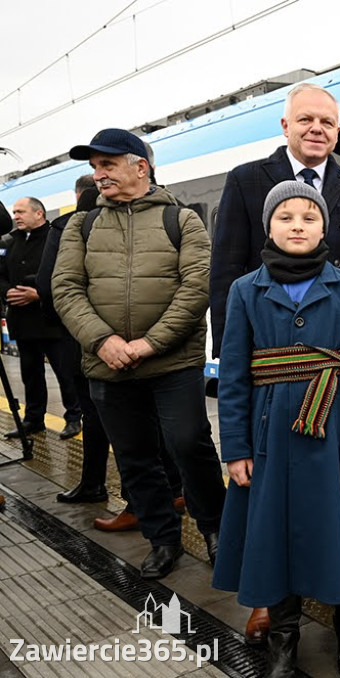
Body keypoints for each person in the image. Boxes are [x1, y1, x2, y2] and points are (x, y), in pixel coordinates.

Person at [213, 181, 340, 678]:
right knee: (275, 533)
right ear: (268, 226)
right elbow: (235, 374)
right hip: (270, 435)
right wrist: (235, 447)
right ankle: (284, 635)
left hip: (333, 431)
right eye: (285, 217)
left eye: (309, 217)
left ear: (325, 226)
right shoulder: (246, 289)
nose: (298, 226)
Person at [52, 128, 226, 580]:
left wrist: (150, 343)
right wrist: (102, 341)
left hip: (173, 361)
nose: (98, 175)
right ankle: (162, 538)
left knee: (189, 444)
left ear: (140, 167)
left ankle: (217, 529)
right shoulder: (81, 224)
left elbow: (197, 286)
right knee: (133, 456)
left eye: (106, 165)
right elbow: (66, 288)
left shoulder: (182, 220)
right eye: (94, 167)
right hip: (106, 364)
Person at [37, 174, 186, 517]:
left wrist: (90, 333)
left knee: (113, 425)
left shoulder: (69, 226)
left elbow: (51, 288)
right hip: (153, 346)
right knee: (162, 424)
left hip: (88, 344)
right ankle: (174, 493)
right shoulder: (172, 215)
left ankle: (125, 499)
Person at [210, 83, 340, 358]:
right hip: (268, 343)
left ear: (337, 133)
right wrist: (228, 350)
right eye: (305, 119)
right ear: (285, 125)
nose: (316, 128)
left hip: (338, 346)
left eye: (327, 122)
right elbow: (226, 270)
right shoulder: (244, 180)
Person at [1, 197, 82, 440]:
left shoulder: (56, 238)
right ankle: (33, 419)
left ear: (39, 214)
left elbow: (66, 273)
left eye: (21, 211)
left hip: (52, 320)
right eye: (14, 212)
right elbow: (0, 274)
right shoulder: (8, 241)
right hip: (22, 322)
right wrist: (7, 292)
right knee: (30, 374)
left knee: (65, 372)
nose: (15, 216)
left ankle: (73, 417)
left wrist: (39, 294)